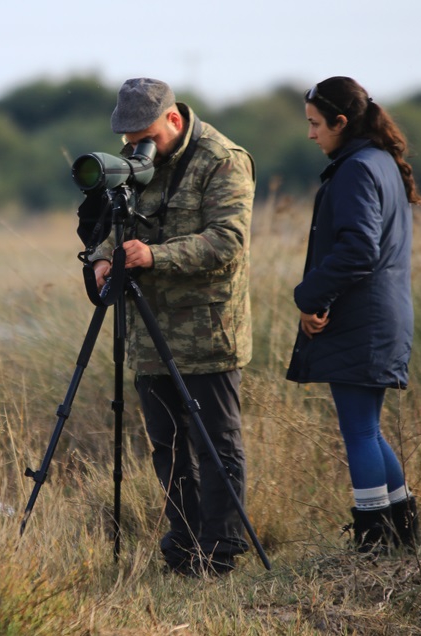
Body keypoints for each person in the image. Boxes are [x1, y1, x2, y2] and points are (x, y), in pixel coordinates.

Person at [89, 78, 256, 576]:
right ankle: (183, 545)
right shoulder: (135, 160)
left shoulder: (222, 159)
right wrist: (102, 258)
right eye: (130, 139)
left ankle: (221, 549)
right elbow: (119, 223)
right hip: (147, 331)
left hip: (207, 331)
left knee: (215, 442)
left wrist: (154, 256)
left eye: (147, 136)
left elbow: (228, 241)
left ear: (174, 121)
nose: (139, 148)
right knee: (168, 446)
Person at [287, 77, 421, 553]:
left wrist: (309, 296)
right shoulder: (380, 161)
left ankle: (373, 542)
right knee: (368, 427)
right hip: (381, 317)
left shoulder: (357, 169)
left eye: (316, 124)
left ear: (341, 122)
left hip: (362, 322)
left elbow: (358, 251)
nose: (311, 135)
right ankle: (403, 538)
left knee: (360, 431)